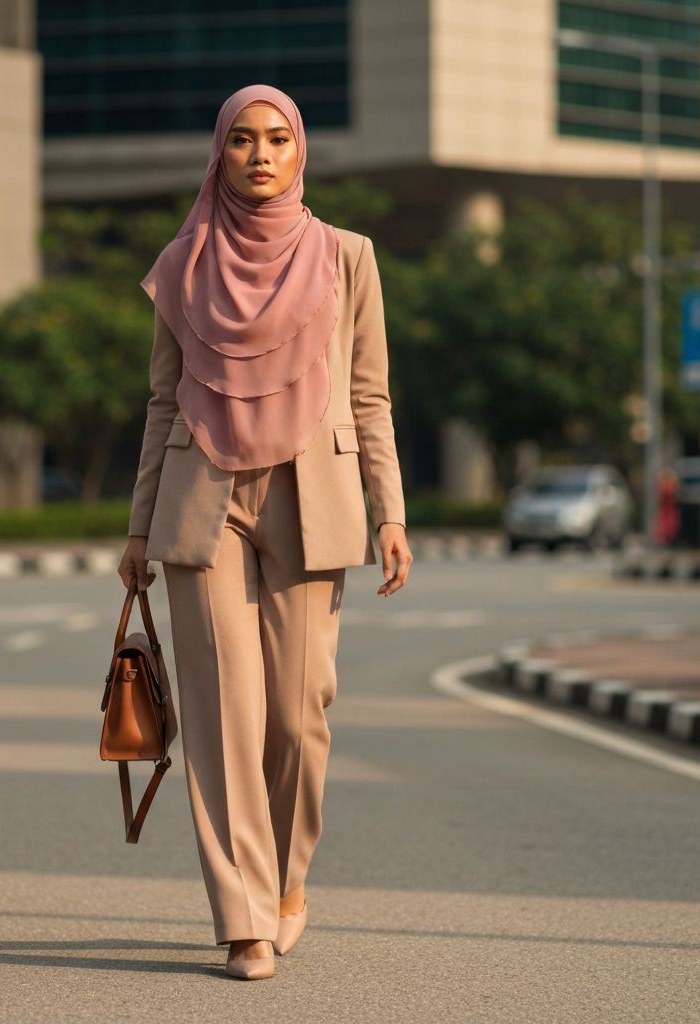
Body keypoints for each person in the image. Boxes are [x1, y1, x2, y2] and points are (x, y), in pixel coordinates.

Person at [119, 84, 412, 981]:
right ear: (221, 153)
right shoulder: (185, 262)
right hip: (202, 495)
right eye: (241, 140)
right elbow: (164, 398)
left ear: (300, 152)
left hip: (312, 496)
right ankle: (242, 917)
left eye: (276, 139)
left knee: (296, 712)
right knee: (220, 717)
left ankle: (286, 878)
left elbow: (369, 395)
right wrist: (138, 530)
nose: (259, 155)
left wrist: (390, 509)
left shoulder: (347, 257)